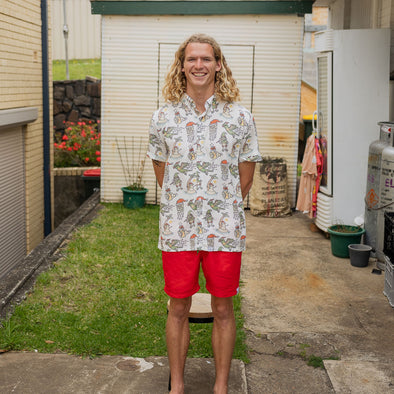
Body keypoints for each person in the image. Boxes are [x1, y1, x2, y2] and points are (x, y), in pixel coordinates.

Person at [147, 33, 262, 394]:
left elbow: (244, 179)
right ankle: (177, 387)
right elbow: (163, 173)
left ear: (218, 65)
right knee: (177, 308)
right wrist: (189, 201)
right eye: (192, 59)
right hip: (178, 230)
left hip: (224, 230)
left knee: (224, 309)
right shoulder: (163, 117)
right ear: (182, 66)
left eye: (206, 59)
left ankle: (221, 387)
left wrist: (217, 202)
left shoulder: (240, 117)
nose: (199, 65)